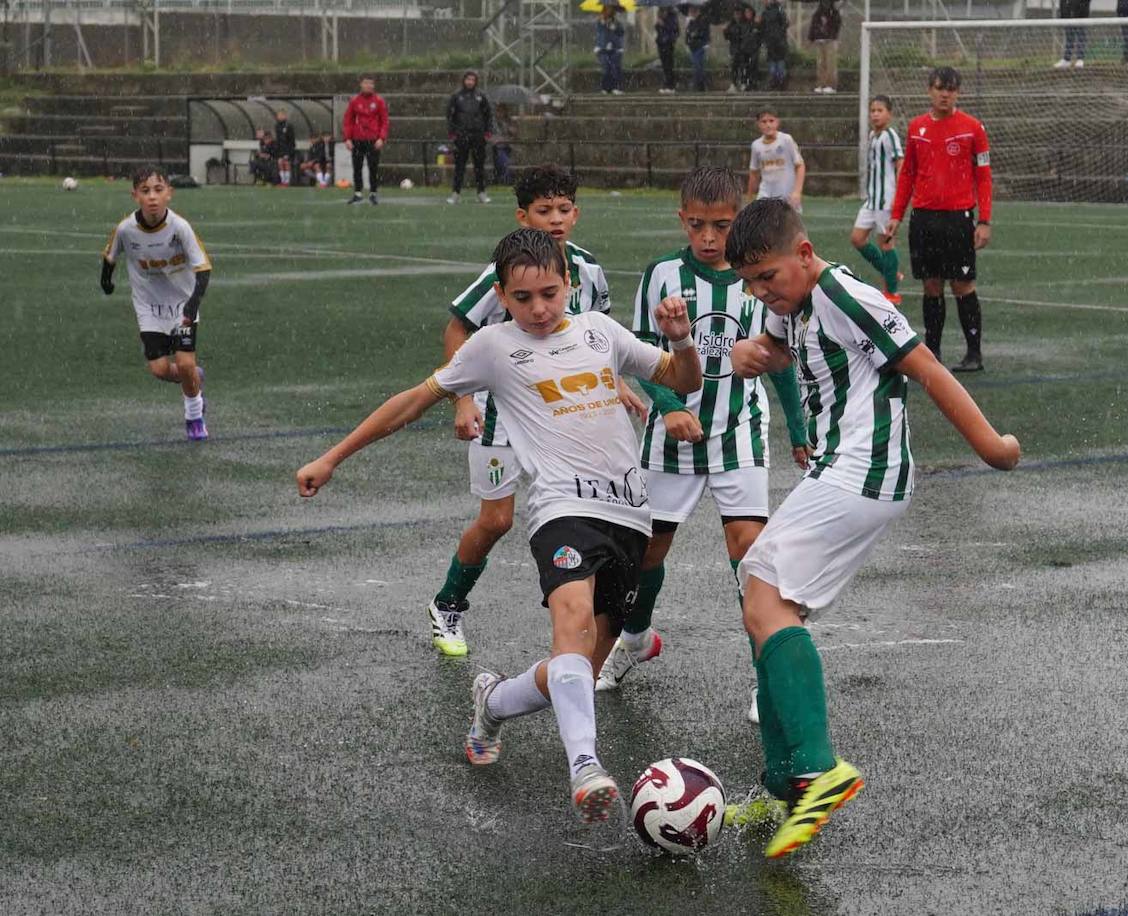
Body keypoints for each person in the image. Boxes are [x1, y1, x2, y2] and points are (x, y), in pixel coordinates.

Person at [295, 228, 703, 823]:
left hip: (629, 513)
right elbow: (413, 400)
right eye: (522, 297)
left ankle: (492, 702)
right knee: (571, 624)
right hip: (561, 508)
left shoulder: (600, 332)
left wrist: (682, 340)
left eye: (549, 292)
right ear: (501, 294)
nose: (538, 308)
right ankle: (585, 766)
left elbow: (684, 381)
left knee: (579, 674)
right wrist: (332, 457)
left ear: (568, 281)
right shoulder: (491, 347)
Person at [724, 197, 1020, 858]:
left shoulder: (844, 293)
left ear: (804, 253)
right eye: (749, 283)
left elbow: (926, 368)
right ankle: (782, 785)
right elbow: (791, 343)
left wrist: (990, 446)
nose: (760, 291)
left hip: (866, 469)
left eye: (768, 276)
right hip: (839, 468)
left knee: (768, 596)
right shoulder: (796, 305)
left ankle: (818, 767)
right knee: (760, 597)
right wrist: (758, 350)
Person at [594, 167, 809, 707]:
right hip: (671, 439)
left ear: (739, 219)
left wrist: (799, 429)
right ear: (681, 220)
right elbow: (639, 355)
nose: (709, 237)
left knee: (750, 554)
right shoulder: (662, 274)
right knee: (647, 551)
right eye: (697, 225)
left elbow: (775, 357)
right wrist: (666, 408)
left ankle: (768, 677)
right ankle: (636, 638)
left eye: (721, 225)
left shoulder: (756, 275)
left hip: (738, 432)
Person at [431, 164, 647, 657]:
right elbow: (457, 329)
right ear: (522, 216)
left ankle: (585, 632)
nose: (555, 219)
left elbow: (598, 340)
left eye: (564, 209)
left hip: (566, 420)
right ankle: (449, 604)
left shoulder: (586, 269)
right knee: (496, 521)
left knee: (590, 513)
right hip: (502, 416)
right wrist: (463, 399)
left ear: (577, 212)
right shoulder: (503, 272)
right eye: (543, 210)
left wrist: (617, 386)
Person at [884, 66, 993, 373]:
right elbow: (907, 175)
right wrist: (896, 215)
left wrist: (984, 220)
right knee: (931, 286)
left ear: (957, 93)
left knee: (962, 285)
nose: (945, 94)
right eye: (940, 88)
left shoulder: (972, 128)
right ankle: (933, 353)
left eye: (951, 89)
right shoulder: (917, 128)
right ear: (929, 91)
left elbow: (983, 177)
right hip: (924, 220)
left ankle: (974, 353)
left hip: (958, 219)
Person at [100, 165, 212, 441]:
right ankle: (192, 379)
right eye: (145, 191)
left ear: (169, 194)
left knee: (185, 363)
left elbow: (203, 268)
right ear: (135, 195)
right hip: (149, 308)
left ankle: (194, 413)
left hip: (183, 305)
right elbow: (110, 256)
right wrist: (107, 281)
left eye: (158, 190)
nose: (152, 197)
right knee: (160, 370)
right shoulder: (126, 229)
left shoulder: (180, 227)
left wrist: (192, 304)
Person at [851, 95, 904, 305]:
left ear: (889, 114)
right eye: (872, 110)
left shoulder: (890, 135)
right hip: (872, 200)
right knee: (857, 238)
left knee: (886, 243)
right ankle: (891, 273)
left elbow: (900, 162)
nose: (875, 114)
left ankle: (892, 292)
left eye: (880, 110)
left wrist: (899, 196)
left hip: (886, 199)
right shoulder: (873, 135)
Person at [446, 70, 494, 205]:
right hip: (461, 137)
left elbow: (488, 115)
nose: (470, 82)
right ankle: (455, 193)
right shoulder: (456, 96)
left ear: (476, 81)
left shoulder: (481, 96)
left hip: (478, 136)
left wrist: (487, 133)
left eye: (473, 80)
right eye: (468, 79)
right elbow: (450, 116)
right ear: (464, 80)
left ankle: (481, 193)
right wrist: (452, 133)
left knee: (479, 167)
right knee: (459, 166)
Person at [343, 75, 389, 205]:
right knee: (357, 167)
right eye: (366, 83)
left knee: (373, 167)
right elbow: (348, 121)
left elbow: (384, 121)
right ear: (361, 85)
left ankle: (373, 193)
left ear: (373, 86)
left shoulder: (379, 101)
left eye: (371, 83)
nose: (368, 86)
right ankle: (357, 193)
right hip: (357, 139)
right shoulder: (354, 101)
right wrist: (347, 138)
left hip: (373, 140)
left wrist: (381, 137)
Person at [748, 109, 805, 211]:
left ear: (777, 122)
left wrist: (797, 192)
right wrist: (750, 197)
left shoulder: (786, 140)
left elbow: (800, 166)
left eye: (771, 121)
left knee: (788, 225)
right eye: (764, 122)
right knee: (760, 223)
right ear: (758, 124)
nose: (768, 125)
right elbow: (754, 173)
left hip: (787, 194)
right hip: (765, 194)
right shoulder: (756, 145)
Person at [808, 0, 840, 94]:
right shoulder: (817, 14)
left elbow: (836, 26)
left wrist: (831, 35)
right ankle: (821, 84)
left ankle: (831, 85)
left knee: (830, 64)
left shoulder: (834, 13)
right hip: (820, 40)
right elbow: (813, 26)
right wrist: (812, 38)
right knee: (821, 64)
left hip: (830, 41)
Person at [595, 5, 626, 96]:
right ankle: (605, 88)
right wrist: (604, 23)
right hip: (603, 48)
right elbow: (600, 32)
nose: (610, 11)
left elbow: (621, 32)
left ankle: (615, 87)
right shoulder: (600, 21)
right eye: (608, 9)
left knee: (615, 68)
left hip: (615, 48)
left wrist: (614, 27)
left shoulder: (616, 22)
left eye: (611, 9)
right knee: (605, 68)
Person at [760, 0, 789, 91]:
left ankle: (779, 83)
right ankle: (776, 82)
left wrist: (778, 35)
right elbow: (763, 27)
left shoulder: (778, 10)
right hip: (772, 43)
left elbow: (784, 24)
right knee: (774, 64)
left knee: (779, 64)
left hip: (777, 42)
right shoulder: (766, 12)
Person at [1054, 0, 1090, 69]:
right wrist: (1062, 14)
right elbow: (1063, 2)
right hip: (1067, 16)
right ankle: (1066, 59)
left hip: (1081, 16)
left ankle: (1080, 59)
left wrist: (1081, 9)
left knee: (1081, 37)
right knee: (1069, 38)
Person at [686, 5, 712, 93]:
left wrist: (696, 34)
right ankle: (702, 85)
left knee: (697, 64)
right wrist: (688, 41)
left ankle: (697, 84)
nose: (691, 13)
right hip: (692, 47)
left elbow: (704, 33)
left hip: (700, 46)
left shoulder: (703, 20)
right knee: (698, 66)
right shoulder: (690, 22)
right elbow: (688, 35)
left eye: (693, 11)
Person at [655, 6, 679, 94]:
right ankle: (666, 84)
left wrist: (663, 24)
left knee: (669, 65)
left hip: (668, 43)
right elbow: (658, 29)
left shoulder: (672, 16)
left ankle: (671, 85)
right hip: (661, 43)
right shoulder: (660, 15)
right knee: (664, 65)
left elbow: (674, 30)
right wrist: (658, 24)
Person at [272, 109, 296, 187]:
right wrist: (277, 150)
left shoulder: (289, 126)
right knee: (280, 164)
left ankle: (287, 181)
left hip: (287, 149)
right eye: (278, 115)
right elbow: (277, 139)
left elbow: (291, 140)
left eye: (281, 115)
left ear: (285, 116)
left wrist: (289, 152)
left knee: (286, 163)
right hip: (279, 149)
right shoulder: (277, 126)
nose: (279, 117)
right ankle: (283, 181)